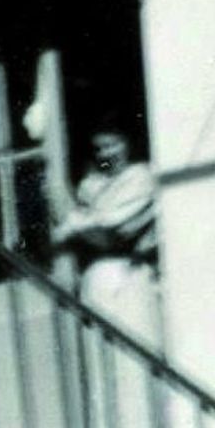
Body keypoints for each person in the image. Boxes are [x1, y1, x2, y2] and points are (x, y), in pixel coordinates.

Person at [51, 120, 159, 341]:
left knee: (134, 342)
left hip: (128, 273)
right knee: (101, 345)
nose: (106, 154)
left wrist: (77, 223)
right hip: (96, 277)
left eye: (113, 145)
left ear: (128, 143)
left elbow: (112, 230)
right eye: (99, 149)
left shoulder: (140, 176)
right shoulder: (94, 184)